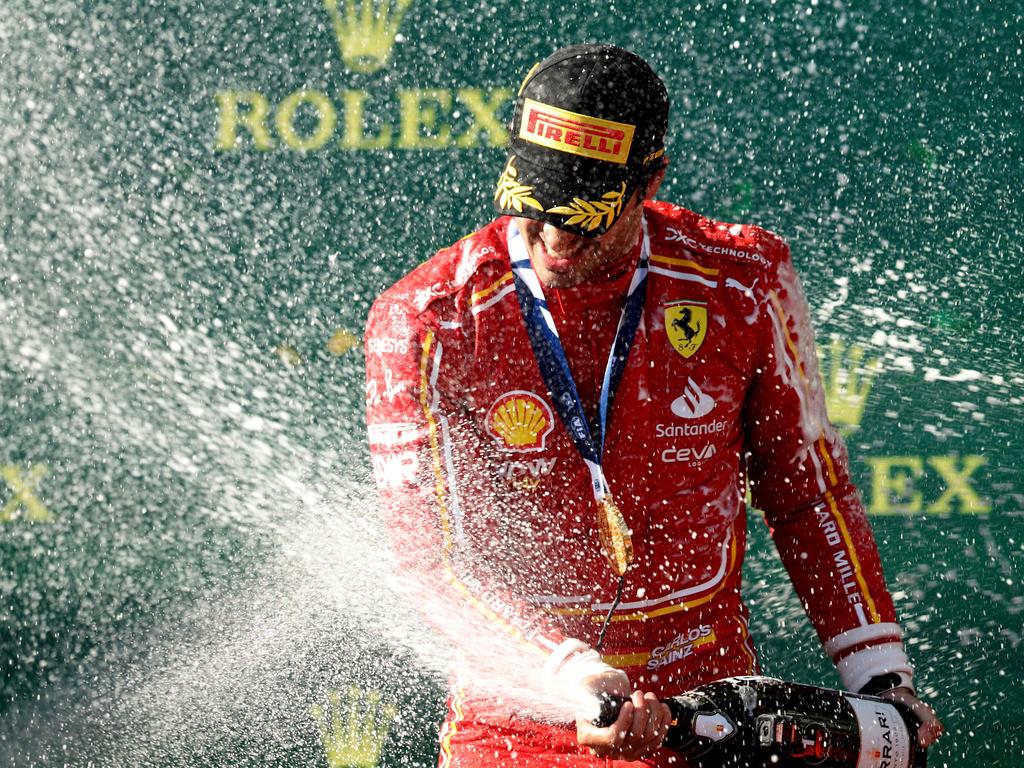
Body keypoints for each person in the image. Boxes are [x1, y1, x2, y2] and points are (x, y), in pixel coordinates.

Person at [364, 44, 943, 766]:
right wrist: (571, 675)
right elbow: (431, 562)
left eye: (581, 213)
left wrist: (881, 677)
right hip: (520, 715)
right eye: (535, 204)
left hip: (713, 699)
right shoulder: (427, 320)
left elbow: (809, 495)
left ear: (651, 181)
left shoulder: (743, 280)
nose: (552, 235)